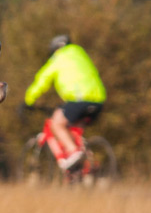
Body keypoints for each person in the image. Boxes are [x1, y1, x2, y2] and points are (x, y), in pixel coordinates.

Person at [24, 35, 106, 170]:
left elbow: (43, 79)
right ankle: (83, 169)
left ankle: (74, 152)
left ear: (55, 49)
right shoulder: (80, 53)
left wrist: (29, 100)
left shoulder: (59, 58)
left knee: (56, 124)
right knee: (73, 130)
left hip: (80, 99)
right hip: (98, 100)